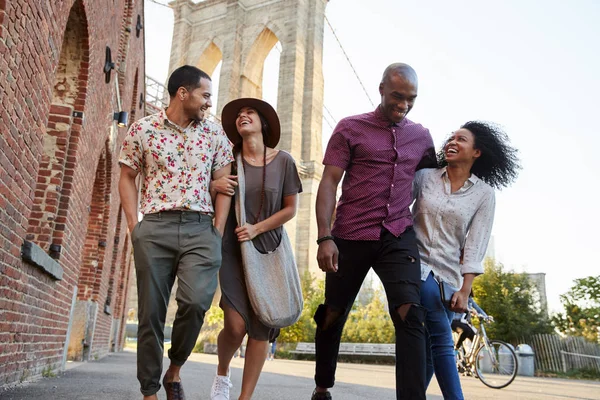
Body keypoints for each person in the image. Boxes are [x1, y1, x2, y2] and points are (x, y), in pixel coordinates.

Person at [313, 63, 436, 400]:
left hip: (398, 235)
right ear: (381, 89)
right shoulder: (350, 128)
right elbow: (328, 183)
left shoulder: (422, 137)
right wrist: (325, 237)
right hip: (350, 235)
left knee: (411, 315)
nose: (404, 105)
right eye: (397, 96)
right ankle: (323, 385)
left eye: (411, 99)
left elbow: (433, 187)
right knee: (332, 314)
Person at [118, 65, 234, 400]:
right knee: (150, 314)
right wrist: (133, 226)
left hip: (201, 229)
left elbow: (225, 185)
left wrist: (216, 231)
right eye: (205, 95)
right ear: (183, 93)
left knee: (197, 302)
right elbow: (127, 176)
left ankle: (175, 368)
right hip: (154, 227)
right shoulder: (143, 130)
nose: (209, 103)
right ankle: (150, 392)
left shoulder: (215, 135)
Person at [412, 121, 520, 399]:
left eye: (461, 139)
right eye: (451, 137)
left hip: (448, 278)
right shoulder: (424, 177)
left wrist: (464, 289)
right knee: (442, 339)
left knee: (428, 351)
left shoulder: (483, 194)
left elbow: (476, 243)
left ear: (477, 152)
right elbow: (397, 210)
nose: (453, 141)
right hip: (414, 266)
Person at [209, 98, 303, 400]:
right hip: (233, 249)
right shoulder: (228, 159)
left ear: (264, 123)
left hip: (268, 247)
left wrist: (258, 229)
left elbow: (290, 209)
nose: (242, 115)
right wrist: (214, 187)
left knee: (263, 324)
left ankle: (244, 397)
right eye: (238, 114)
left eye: (249, 112)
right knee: (235, 325)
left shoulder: (284, 161)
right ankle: (223, 373)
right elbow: (208, 191)